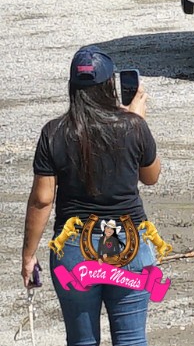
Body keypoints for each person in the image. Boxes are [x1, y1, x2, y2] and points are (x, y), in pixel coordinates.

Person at [21, 46, 161, 346]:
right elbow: (151, 177)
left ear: (72, 87)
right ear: (111, 85)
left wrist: (28, 256)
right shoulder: (133, 126)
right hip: (130, 242)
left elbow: (42, 200)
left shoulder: (54, 132)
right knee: (132, 339)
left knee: (81, 341)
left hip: (74, 248)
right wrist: (137, 122)